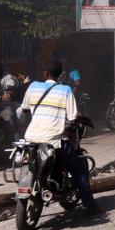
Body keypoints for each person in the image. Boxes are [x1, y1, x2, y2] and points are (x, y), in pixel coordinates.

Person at [20, 59, 102, 216]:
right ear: (60, 75)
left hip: (30, 139)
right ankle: (90, 206)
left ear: (45, 74)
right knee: (79, 168)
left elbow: (24, 110)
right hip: (54, 141)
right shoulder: (65, 90)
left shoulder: (33, 86)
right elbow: (72, 117)